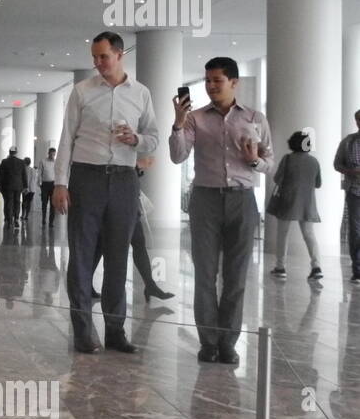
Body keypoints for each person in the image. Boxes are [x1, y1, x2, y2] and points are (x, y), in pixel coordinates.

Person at [53, 31, 159, 355]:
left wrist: (136, 140)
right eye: (95, 58)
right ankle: (84, 331)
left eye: (104, 57)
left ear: (120, 54)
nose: (98, 63)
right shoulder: (82, 91)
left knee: (118, 258)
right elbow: (66, 138)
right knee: (82, 256)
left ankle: (115, 331)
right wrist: (60, 183)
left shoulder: (140, 93)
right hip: (87, 178)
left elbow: (153, 138)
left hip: (125, 179)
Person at [170, 56, 273, 364]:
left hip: (242, 200)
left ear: (234, 82)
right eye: (208, 81)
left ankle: (228, 342)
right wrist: (177, 122)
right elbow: (177, 156)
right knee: (204, 273)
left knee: (236, 275)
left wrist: (253, 159)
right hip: (205, 200)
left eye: (217, 80)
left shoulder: (255, 118)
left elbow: (270, 164)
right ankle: (208, 341)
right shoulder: (195, 118)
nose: (211, 86)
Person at [91, 161, 175, 301]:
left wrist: (136, 169)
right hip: (112, 200)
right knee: (102, 246)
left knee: (139, 244)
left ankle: (150, 285)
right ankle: (87, 283)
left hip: (130, 202)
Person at [269, 130, 322, 281]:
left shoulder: (287, 159)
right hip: (307, 203)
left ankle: (281, 267)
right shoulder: (314, 161)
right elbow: (318, 184)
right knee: (309, 235)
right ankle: (316, 267)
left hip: (288, 201)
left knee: (283, 234)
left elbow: (277, 179)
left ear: (292, 144)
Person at [334, 109, 360, 284]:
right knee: (356, 230)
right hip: (354, 191)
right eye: (358, 120)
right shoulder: (348, 142)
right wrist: (350, 171)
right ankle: (357, 269)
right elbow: (337, 164)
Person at [0, 146, 26, 228]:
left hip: (7, 186)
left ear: (9, 152)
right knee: (17, 202)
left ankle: (9, 220)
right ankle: (16, 219)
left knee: (8, 202)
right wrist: (25, 186)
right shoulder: (21, 162)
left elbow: (0, 174)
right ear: (16, 153)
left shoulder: (4, 161)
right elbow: (24, 175)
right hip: (18, 186)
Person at [39, 147, 57, 226]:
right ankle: (43, 219)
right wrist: (39, 183)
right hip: (45, 184)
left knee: (53, 204)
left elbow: (58, 173)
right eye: (51, 154)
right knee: (44, 203)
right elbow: (39, 172)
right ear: (48, 153)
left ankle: (51, 222)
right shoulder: (43, 161)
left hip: (53, 184)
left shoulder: (56, 162)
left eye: (54, 154)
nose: (52, 155)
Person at [22, 157, 37, 223]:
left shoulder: (24, 169)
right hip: (32, 189)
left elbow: (26, 180)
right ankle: (27, 216)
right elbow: (33, 179)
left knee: (24, 202)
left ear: (24, 162)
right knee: (29, 203)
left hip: (26, 189)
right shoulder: (33, 170)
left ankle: (23, 215)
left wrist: (26, 188)